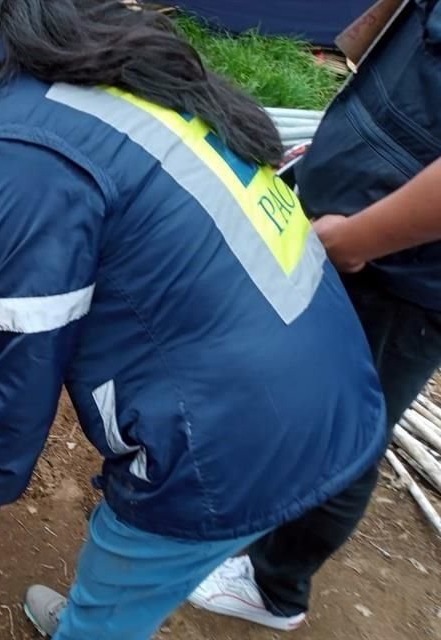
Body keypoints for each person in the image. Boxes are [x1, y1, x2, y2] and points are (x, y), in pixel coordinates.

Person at [0, 1, 387, 638]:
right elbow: (88, 276)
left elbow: (29, 358)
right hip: (328, 377)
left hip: (226, 442)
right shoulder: (96, 69)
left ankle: (93, 624)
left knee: (128, 566)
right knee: (134, 563)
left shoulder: (7, 153)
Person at [188, 0, 441, 630]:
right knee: (287, 386)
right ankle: (234, 524)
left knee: (348, 425)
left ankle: (275, 587)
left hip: (400, 267)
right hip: (354, 215)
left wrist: (357, 241)